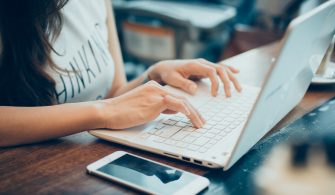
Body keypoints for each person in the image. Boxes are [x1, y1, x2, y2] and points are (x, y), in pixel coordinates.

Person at [0, 0, 241, 147]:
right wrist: (104, 112)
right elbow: (109, 107)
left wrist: (153, 76)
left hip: (92, 156)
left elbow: (113, 93)